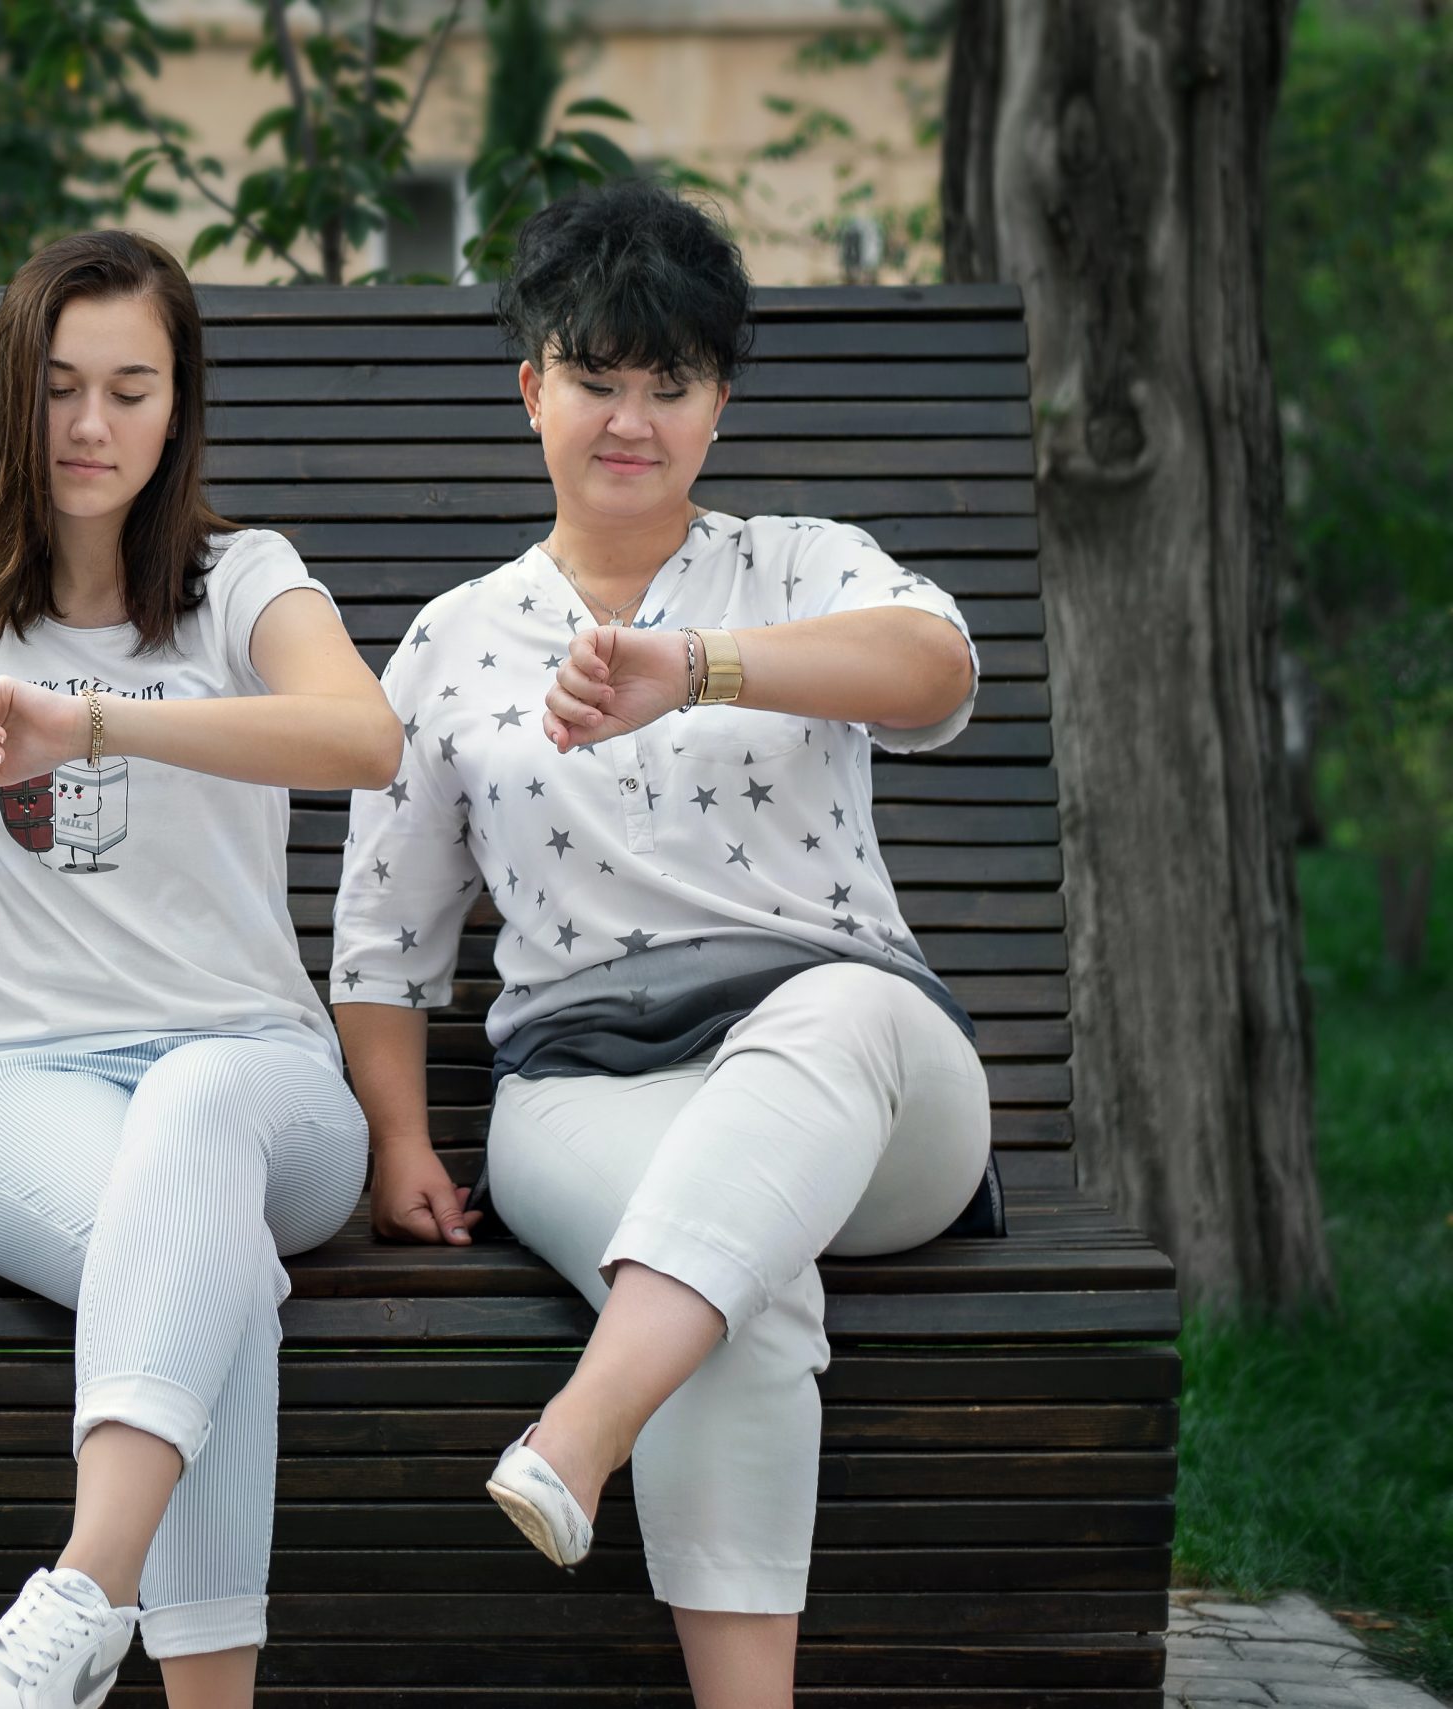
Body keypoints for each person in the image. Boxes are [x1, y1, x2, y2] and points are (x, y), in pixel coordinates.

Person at [329, 181, 994, 1709]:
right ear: (531, 388)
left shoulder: (803, 566)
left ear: (718, 404)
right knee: (731, 1280)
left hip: (875, 1088)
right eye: (594, 378)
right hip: (587, 1091)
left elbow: (938, 666)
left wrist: (695, 669)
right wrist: (401, 1135)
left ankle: (579, 1436)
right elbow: (387, 933)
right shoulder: (455, 639)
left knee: (833, 1018)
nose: (629, 419)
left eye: (669, 385)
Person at [0, 229, 401, 1709]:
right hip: (30, 1082)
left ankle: (82, 1590)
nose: (90, 427)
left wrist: (97, 723)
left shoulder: (242, 583)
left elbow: (363, 736)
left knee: (202, 1128)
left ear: (178, 402)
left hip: (265, 1082)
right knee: (215, 1280)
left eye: (131, 389)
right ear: (13, 396)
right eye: (61, 386)